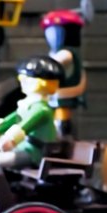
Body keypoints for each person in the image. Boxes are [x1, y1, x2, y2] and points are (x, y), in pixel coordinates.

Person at [0, 56, 64, 172]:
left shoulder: (42, 109)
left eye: (24, 79)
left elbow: (26, 125)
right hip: (25, 148)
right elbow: (13, 118)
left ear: (38, 83)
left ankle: (0, 181)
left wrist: (11, 139)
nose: (22, 82)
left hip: (36, 153)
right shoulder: (28, 104)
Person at [42, 10, 86, 138]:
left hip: (64, 92)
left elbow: (50, 66)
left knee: (61, 117)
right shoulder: (65, 52)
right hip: (62, 92)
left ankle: (62, 137)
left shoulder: (65, 53)